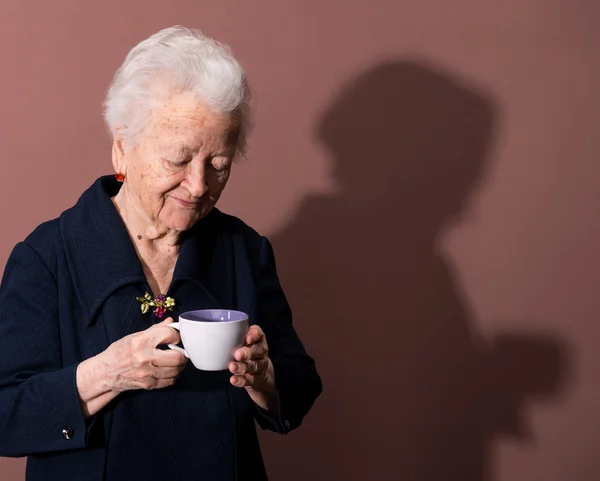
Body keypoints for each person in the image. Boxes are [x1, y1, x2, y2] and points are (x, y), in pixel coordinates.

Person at [0, 25, 322, 481]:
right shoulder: (47, 257)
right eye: (177, 159)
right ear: (121, 149)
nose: (198, 186)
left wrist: (264, 377)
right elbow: (5, 415)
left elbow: (300, 387)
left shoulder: (244, 251)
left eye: (219, 166)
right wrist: (108, 373)